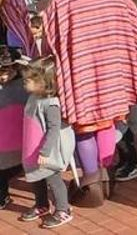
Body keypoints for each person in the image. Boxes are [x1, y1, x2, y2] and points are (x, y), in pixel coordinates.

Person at [42, 0, 137, 207]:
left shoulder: (60, 0)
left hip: (81, 71)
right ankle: (105, 176)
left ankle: (91, 184)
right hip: (115, 70)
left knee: (85, 127)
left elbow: (50, 43)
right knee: (108, 122)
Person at [18, 56, 75, 229]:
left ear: (43, 82)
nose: (24, 83)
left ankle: (63, 209)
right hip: (33, 148)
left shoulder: (50, 103)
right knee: (36, 177)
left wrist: (45, 151)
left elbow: (53, 129)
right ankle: (41, 204)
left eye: (28, 80)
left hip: (45, 151)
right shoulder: (34, 97)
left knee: (53, 178)